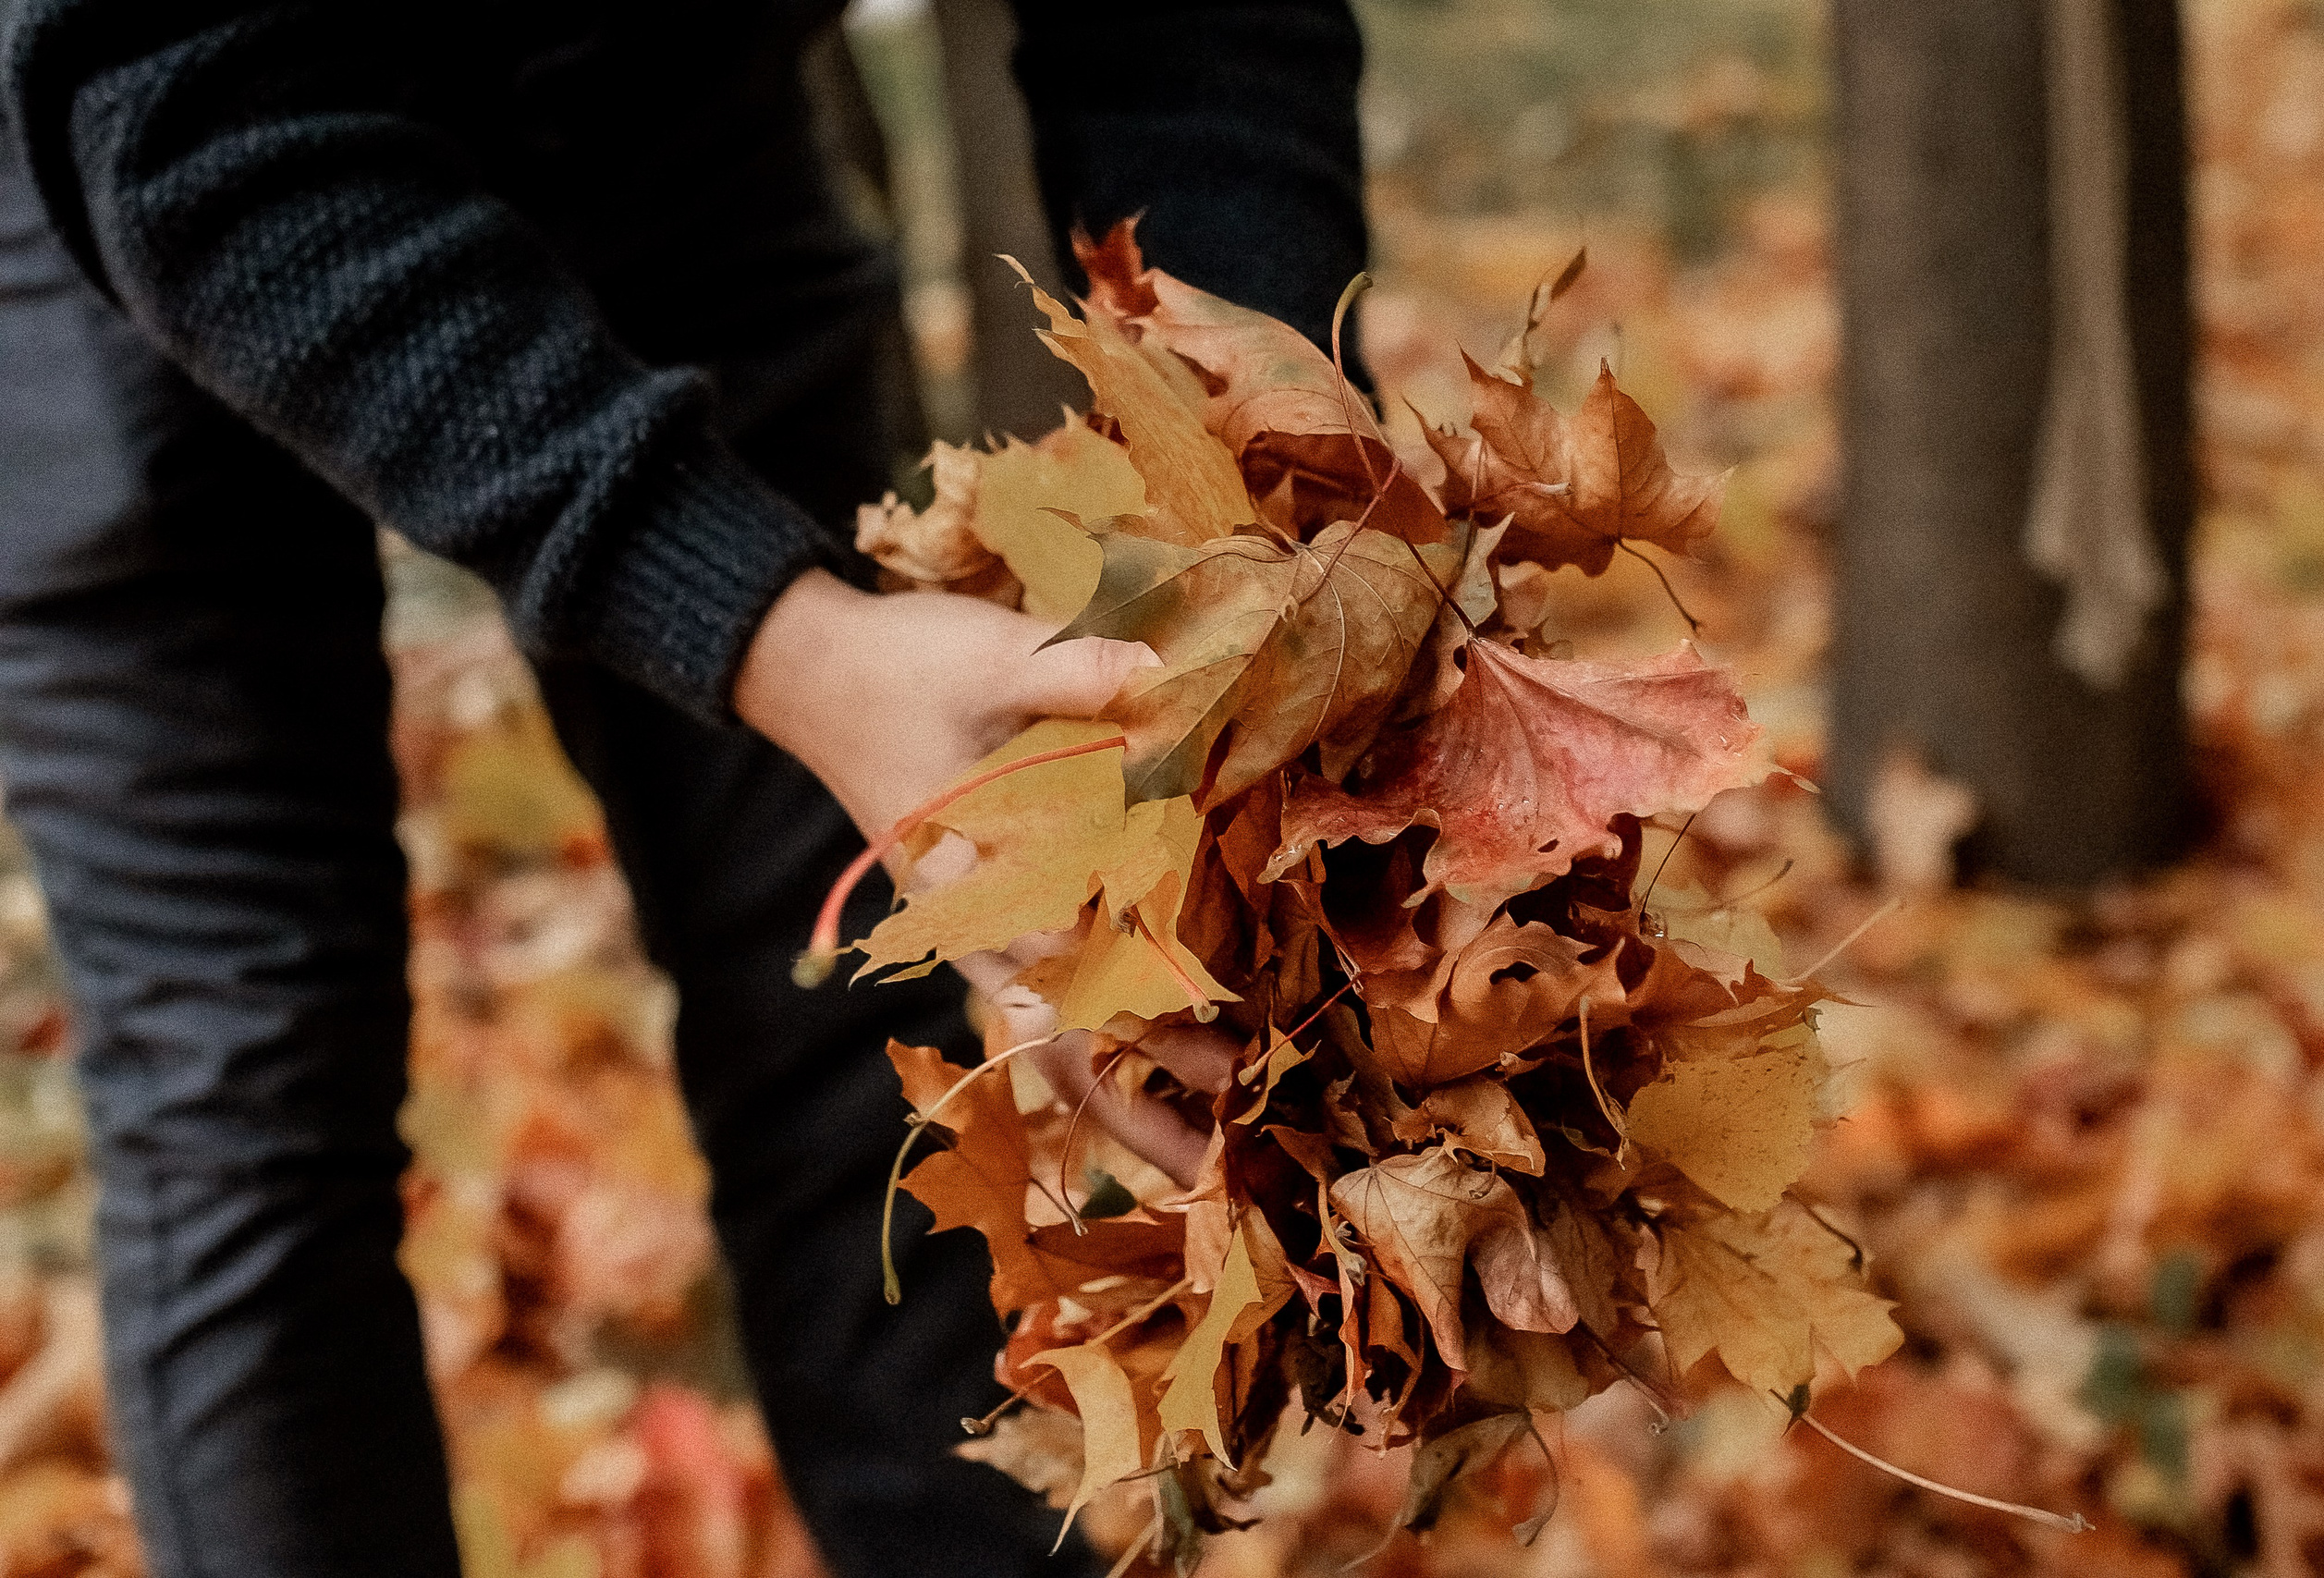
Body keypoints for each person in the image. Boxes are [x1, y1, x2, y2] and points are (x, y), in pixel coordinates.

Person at [0, 1, 1366, 1572]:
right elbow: (174, 111)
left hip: (659, 100)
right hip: (129, 161)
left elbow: (1197, 36)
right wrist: (791, 645)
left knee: (854, 1007)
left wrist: (1266, 482)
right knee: (246, 1080)